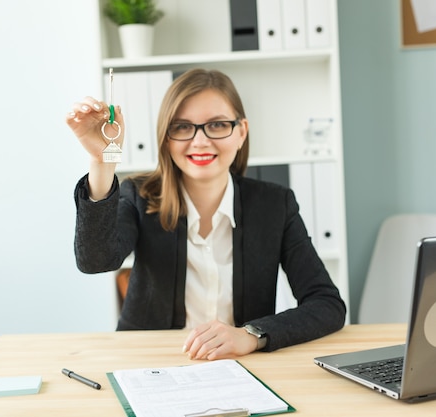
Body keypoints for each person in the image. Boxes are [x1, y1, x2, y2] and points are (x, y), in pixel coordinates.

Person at [66, 68, 346, 360]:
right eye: (183, 127)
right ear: (166, 138)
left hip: (241, 365)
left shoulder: (275, 205)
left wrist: (252, 335)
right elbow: (94, 261)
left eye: (217, 125)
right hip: (150, 363)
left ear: (241, 132)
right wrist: (102, 163)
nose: (200, 141)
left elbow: (326, 304)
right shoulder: (138, 196)